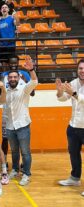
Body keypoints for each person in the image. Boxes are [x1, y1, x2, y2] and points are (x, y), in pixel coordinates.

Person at [5, 56, 38, 186]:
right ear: (8, 79)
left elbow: (34, 82)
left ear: (18, 78)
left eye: (15, 77)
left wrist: (31, 70)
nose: (13, 79)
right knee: (13, 151)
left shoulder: (24, 88)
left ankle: (26, 174)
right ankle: (14, 170)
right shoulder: (5, 91)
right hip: (10, 126)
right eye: (10, 77)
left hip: (23, 125)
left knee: (25, 152)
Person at [57, 59, 84, 196]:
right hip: (73, 126)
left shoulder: (74, 88)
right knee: (74, 154)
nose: (82, 71)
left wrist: (73, 93)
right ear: (77, 69)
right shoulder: (73, 83)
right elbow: (63, 99)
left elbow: (81, 99)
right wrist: (59, 92)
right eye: (80, 68)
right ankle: (74, 178)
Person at [0, 3, 19, 70]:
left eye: (6, 7)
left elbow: (18, 23)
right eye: (2, 7)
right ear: (1, 10)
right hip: (2, 45)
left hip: (11, 45)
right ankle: (5, 76)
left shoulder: (11, 18)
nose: (4, 8)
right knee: (3, 63)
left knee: (11, 62)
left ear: (8, 9)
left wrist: (15, 15)